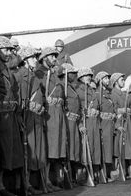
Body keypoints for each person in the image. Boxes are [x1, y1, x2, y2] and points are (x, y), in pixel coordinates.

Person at [0, 36, 23, 196]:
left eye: (10, 49)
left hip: (9, 115)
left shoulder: (6, 68)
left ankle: (3, 185)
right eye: (6, 49)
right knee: (1, 150)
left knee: (9, 150)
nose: (9, 52)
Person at [14, 46, 46, 195]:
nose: (35, 60)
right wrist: (20, 115)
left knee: (36, 152)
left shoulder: (32, 75)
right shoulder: (21, 75)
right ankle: (25, 184)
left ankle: (31, 183)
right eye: (33, 58)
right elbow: (20, 98)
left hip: (35, 118)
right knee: (27, 152)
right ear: (25, 60)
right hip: (26, 117)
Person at [35, 47, 65, 191]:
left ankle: (51, 179)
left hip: (57, 114)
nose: (54, 58)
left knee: (54, 148)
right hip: (47, 114)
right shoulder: (39, 73)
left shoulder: (53, 74)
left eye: (55, 56)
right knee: (47, 149)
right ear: (44, 58)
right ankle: (45, 180)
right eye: (52, 56)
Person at [58, 63, 82, 184]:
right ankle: (64, 177)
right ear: (66, 74)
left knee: (73, 148)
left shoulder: (70, 86)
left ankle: (72, 177)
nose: (75, 75)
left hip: (74, 122)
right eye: (73, 73)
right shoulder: (62, 85)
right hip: (67, 121)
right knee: (67, 148)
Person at [76, 68, 101, 183]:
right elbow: (76, 108)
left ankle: (93, 173)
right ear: (80, 77)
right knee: (85, 148)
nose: (89, 77)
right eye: (86, 75)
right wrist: (80, 124)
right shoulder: (78, 90)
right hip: (85, 121)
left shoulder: (91, 90)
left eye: (90, 75)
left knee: (95, 148)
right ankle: (83, 175)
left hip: (94, 122)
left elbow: (97, 106)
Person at [91, 71, 116, 182]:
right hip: (102, 124)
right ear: (100, 81)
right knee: (103, 149)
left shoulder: (108, 94)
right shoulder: (97, 94)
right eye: (105, 78)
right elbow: (96, 111)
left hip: (110, 124)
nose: (107, 80)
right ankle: (102, 174)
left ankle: (107, 173)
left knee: (109, 148)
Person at [111, 73, 131, 179]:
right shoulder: (113, 94)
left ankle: (129, 169)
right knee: (119, 147)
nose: (123, 81)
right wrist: (117, 125)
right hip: (119, 122)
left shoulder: (123, 94)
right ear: (115, 82)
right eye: (121, 80)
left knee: (128, 147)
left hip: (126, 123)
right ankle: (119, 169)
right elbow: (112, 110)